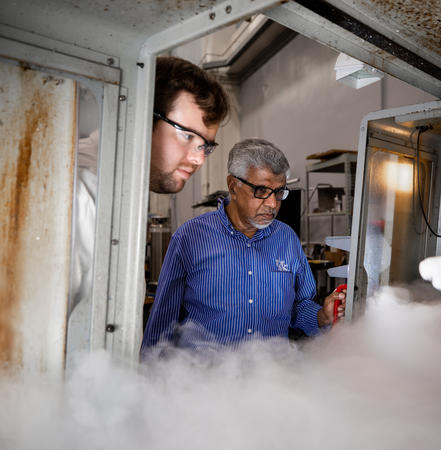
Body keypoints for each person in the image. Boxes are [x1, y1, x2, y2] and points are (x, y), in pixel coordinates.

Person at [68, 57, 229, 358]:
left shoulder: (119, 193)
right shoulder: (78, 195)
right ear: (140, 116)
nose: (198, 159)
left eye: (206, 145)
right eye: (187, 135)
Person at [141, 138, 345, 356]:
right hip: (203, 380)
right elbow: (163, 320)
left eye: (279, 192)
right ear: (233, 186)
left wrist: (321, 316)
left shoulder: (286, 239)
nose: (272, 204)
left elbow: (299, 306)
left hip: (269, 377)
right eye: (261, 190)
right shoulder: (190, 237)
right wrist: (150, 374)